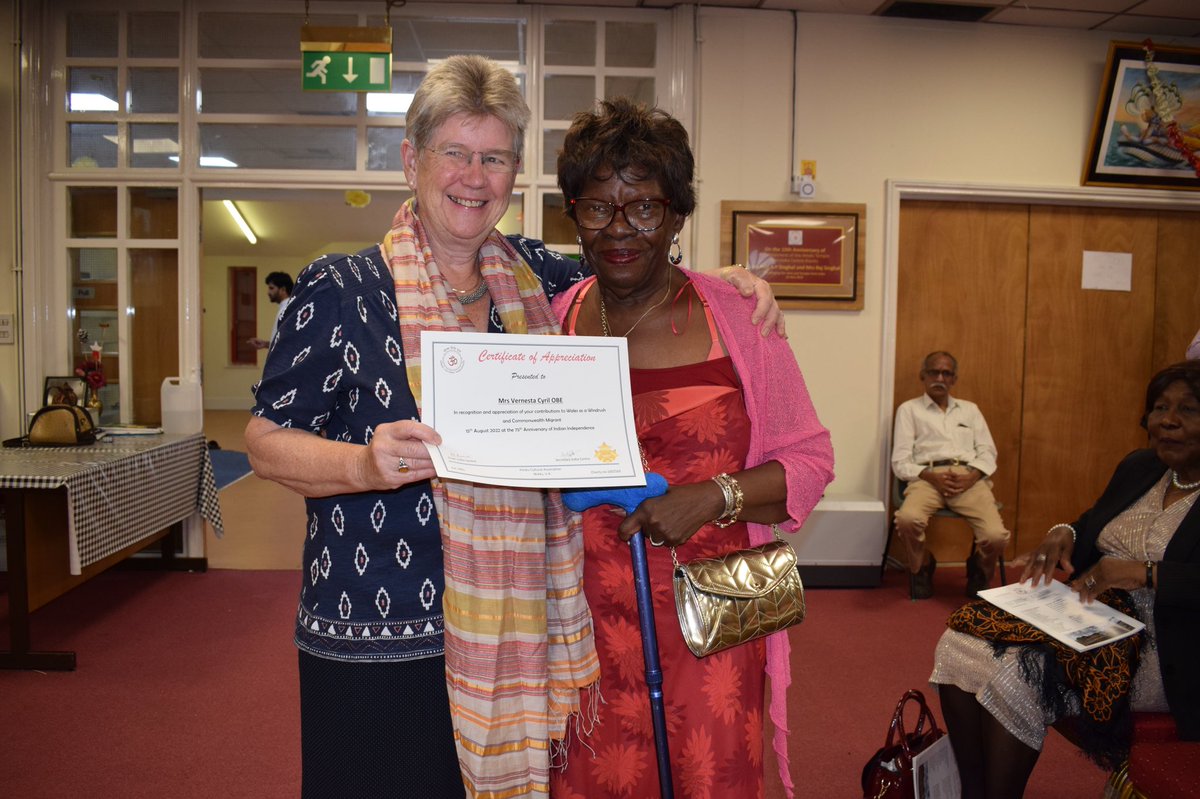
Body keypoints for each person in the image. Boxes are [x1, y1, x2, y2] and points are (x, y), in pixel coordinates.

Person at [244, 56, 783, 798]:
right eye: (455, 153)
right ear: (412, 161)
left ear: (513, 173)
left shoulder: (541, 281)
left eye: (493, 157)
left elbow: (637, 267)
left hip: (513, 642)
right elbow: (263, 442)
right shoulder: (341, 290)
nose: (473, 175)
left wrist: (731, 283)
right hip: (376, 637)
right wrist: (363, 466)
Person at [548, 98, 835, 799]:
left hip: (710, 627)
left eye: (643, 207)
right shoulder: (553, 320)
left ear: (677, 214)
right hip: (582, 630)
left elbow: (811, 458)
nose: (619, 230)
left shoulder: (736, 318)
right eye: (597, 208)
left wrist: (714, 496)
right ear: (574, 214)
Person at [929, 360, 1200, 799]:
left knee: (1018, 669)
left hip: (1164, 644)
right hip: (1093, 613)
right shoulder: (1142, 467)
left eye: (1188, 410)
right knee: (960, 643)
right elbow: (1094, 523)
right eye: (1160, 408)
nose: (1168, 420)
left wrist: (1145, 573)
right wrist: (1065, 533)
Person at [891, 351, 1009, 600]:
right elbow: (900, 462)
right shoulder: (909, 410)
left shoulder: (970, 410)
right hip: (927, 478)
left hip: (969, 479)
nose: (940, 378)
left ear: (954, 379)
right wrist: (931, 476)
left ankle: (979, 567)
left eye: (946, 373)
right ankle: (922, 565)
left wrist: (973, 475)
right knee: (907, 519)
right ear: (923, 375)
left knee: (996, 537)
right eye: (934, 372)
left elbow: (988, 452)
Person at [246, 271, 293, 350]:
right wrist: (265, 344)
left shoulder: (286, 310)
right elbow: (281, 342)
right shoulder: (286, 307)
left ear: (283, 289)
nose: (268, 292)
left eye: (271, 288)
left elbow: (288, 344)